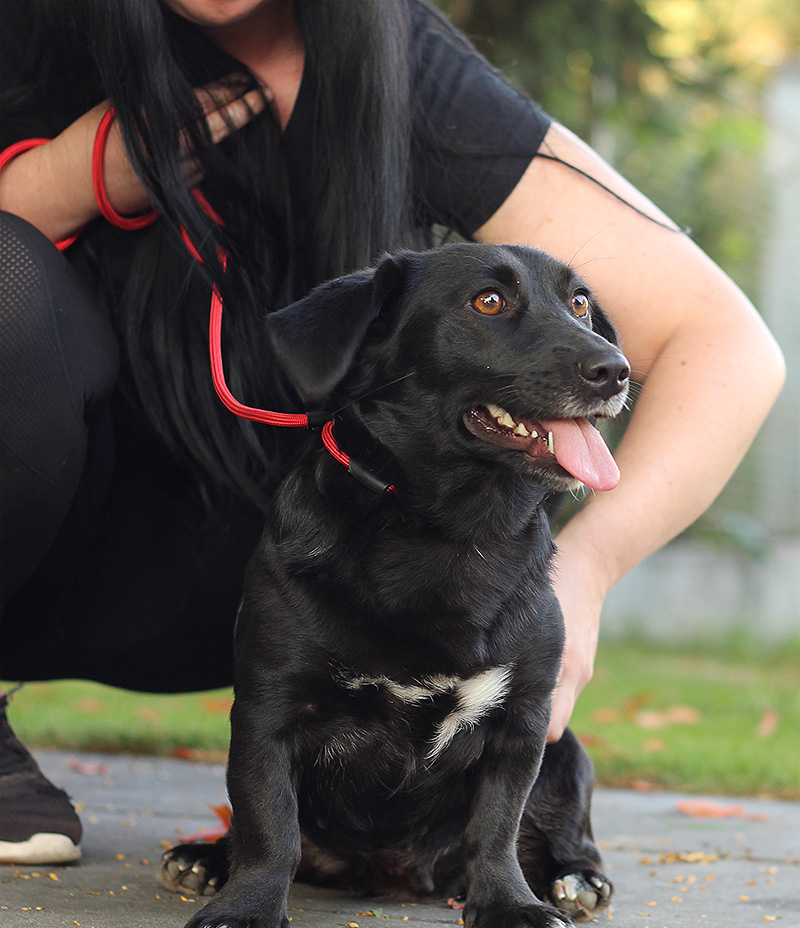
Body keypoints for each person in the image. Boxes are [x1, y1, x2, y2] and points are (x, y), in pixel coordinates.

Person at [0, 0, 785, 866]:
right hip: (40, 558)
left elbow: (727, 347)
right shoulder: (36, 29)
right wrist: (65, 182)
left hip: (275, 586)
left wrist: (588, 569)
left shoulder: (396, 65)